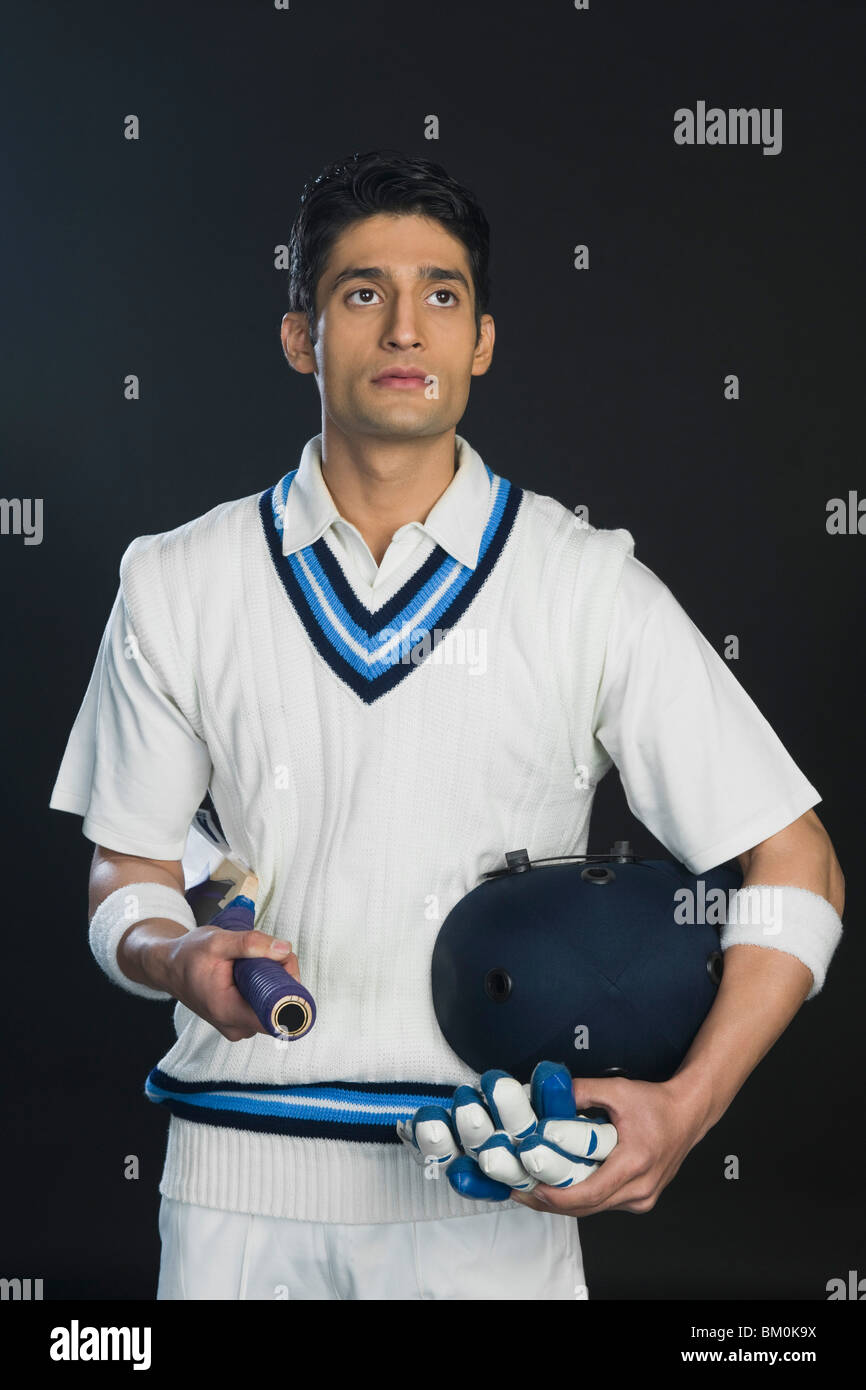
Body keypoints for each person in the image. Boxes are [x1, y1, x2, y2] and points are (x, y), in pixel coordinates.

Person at [49, 148, 844, 1301]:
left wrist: (686, 1107)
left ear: (480, 341)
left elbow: (798, 864)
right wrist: (177, 955)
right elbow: (125, 871)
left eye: (442, 294)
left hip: (491, 1199)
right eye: (361, 293)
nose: (404, 328)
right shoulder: (177, 581)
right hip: (232, 1202)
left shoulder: (584, 584)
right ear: (298, 337)